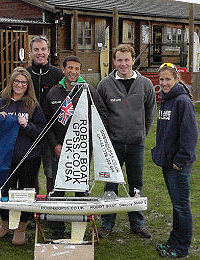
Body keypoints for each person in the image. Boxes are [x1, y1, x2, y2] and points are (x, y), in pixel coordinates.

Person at [43, 56, 109, 240]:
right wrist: (55, 144)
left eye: (77, 69)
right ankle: (57, 226)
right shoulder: (54, 93)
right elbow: (46, 123)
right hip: (59, 149)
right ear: (63, 69)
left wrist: (86, 136)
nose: (73, 72)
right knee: (58, 189)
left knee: (80, 189)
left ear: (80, 71)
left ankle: (80, 225)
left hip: (81, 149)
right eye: (70, 68)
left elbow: (102, 116)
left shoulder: (88, 91)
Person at [97, 44, 157, 239]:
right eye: (119, 60)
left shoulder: (145, 84)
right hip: (112, 145)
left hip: (135, 144)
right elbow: (100, 113)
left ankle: (137, 223)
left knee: (136, 185)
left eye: (127, 59)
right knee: (110, 185)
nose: (123, 64)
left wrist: (142, 133)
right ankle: (107, 223)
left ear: (133, 60)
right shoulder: (105, 84)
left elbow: (150, 112)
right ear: (114, 61)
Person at [0, 67, 46, 245]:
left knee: (26, 192)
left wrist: (26, 125)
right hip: (7, 156)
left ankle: (21, 227)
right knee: (5, 192)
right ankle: (5, 224)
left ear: (28, 85)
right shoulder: (1, 103)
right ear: (11, 82)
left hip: (29, 157)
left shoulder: (33, 105)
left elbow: (41, 131)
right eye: (17, 81)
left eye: (23, 82)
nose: (19, 85)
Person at [152, 63, 198, 258]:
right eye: (161, 80)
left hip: (178, 165)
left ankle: (181, 248)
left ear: (176, 79)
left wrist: (180, 160)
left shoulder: (182, 101)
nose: (164, 83)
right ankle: (174, 240)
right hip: (168, 161)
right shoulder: (167, 99)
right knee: (176, 204)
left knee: (181, 206)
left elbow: (190, 134)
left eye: (168, 79)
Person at [27, 35, 64, 195]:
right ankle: (32, 210)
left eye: (43, 49)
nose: (40, 53)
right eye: (36, 49)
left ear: (48, 51)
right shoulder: (25, 74)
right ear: (31, 53)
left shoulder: (57, 75)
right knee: (30, 172)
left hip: (52, 133)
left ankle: (51, 208)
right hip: (30, 131)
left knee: (52, 172)